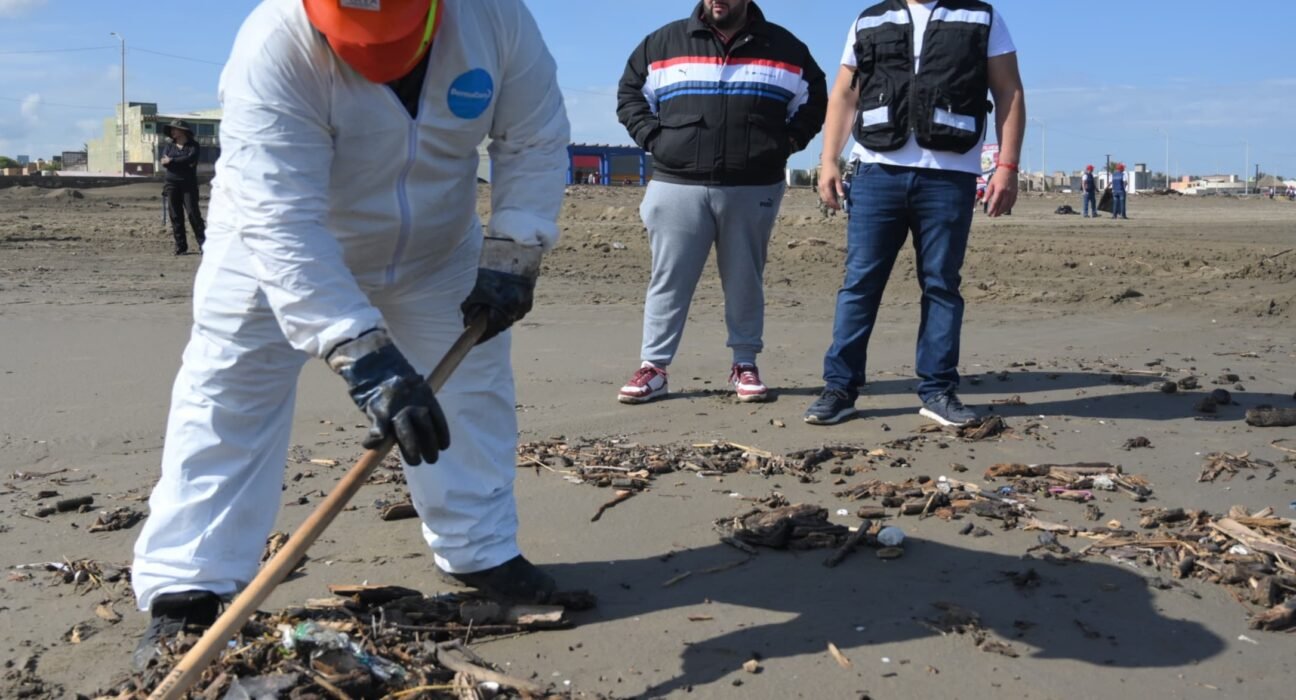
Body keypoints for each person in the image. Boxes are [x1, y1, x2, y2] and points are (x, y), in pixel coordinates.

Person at [129, 0, 570, 669]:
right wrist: (360, 353)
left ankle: (482, 555)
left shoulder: (496, 19)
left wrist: (516, 248)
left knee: (473, 395)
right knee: (228, 400)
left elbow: (533, 137)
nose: (371, 54)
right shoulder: (274, 42)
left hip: (434, 251)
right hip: (271, 252)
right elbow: (284, 221)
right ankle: (187, 587)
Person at [805, 0, 1024, 427]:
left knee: (942, 285)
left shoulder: (982, 17)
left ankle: (938, 390)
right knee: (860, 284)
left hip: (949, 176)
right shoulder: (870, 19)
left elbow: (1008, 91)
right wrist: (828, 159)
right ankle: (840, 389)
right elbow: (846, 94)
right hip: (876, 173)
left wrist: (1007, 167)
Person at [615, 0, 826, 403]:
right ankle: (653, 368)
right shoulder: (662, 42)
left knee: (746, 278)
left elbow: (814, 101)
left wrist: (786, 144)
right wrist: (654, 139)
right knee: (668, 278)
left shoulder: (785, 47)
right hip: (675, 182)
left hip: (753, 186)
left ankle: (745, 364)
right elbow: (630, 95)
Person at [160, 120, 206, 255]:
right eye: (172, 130)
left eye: (175, 129)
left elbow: (190, 159)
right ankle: (181, 246)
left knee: (193, 214)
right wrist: (177, 161)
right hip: (171, 184)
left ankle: (204, 245)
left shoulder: (193, 146)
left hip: (189, 184)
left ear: (183, 131)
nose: (173, 132)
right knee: (175, 215)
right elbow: (164, 162)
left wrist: (173, 160)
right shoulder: (169, 146)